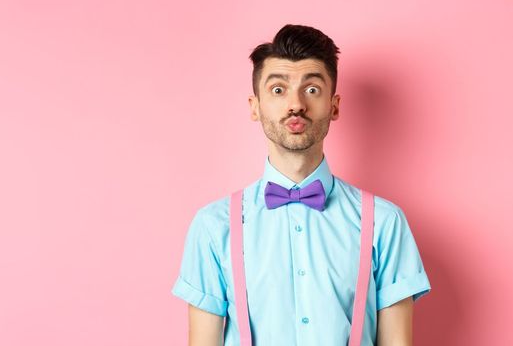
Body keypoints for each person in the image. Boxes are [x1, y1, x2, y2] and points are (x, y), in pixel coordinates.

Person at [171, 24, 432, 345]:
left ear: (334, 105)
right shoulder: (213, 225)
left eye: (311, 89)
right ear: (255, 106)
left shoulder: (384, 222)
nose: (295, 104)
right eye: (278, 90)